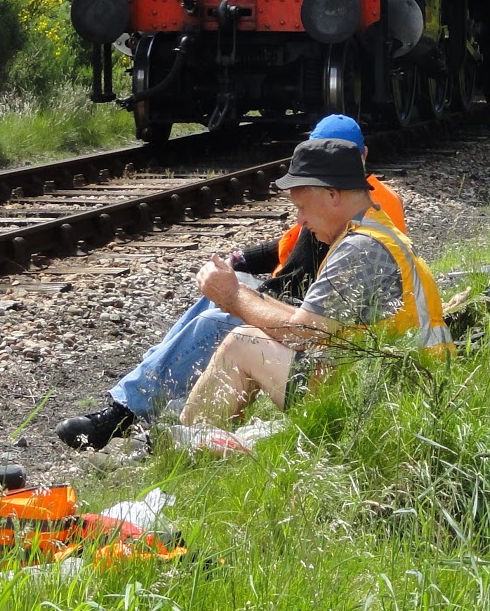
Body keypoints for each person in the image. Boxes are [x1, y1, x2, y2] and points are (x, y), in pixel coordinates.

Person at [55, 115, 403, 450]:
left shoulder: (364, 220)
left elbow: (313, 307)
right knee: (215, 302)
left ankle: (132, 417)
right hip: (320, 321)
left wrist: (243, 297)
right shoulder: (344, 207)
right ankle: (143, 402)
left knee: (221, 319)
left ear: (355, 164)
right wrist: (240, 263)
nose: (300, 214)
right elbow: (288, 245)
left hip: (329, 336)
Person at [178, 138, 452, 428]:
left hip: (390, 397)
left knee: (242, 342)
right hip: (404, 381)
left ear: (333, 195)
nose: (301, 219)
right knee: (250, 333)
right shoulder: (373, 230)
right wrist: (244, 294)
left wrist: (232, 296)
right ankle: (201, 438)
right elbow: (309, 323)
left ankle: (189, 446)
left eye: (303, 207)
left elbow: (302, 333)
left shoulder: (360, 247)